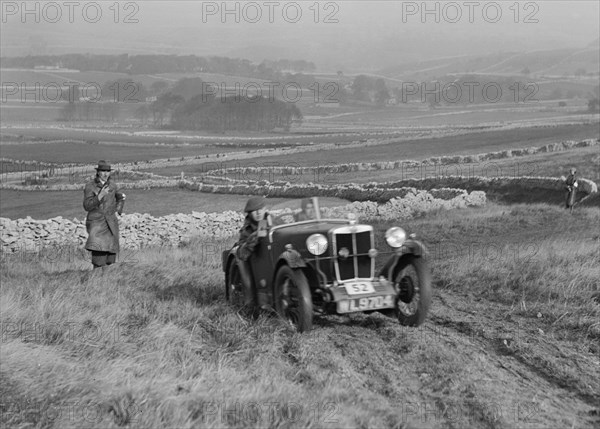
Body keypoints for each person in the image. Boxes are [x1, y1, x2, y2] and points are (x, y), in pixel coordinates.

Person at [83, 160, 126, 269]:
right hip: (97, 225)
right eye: (103, 171)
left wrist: (117, 211)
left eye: (108, 171)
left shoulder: (113, 185)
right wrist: (99, 196)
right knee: (99, 259)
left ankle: (108, 283)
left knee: (111, 260)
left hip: (111, 225)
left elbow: (120, 197)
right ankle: (96, 283)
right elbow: (87, 206)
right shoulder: (90, 186)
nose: (106, 174)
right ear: (98, 172)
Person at [235, 196, 268, 305]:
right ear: (249, 213)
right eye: (254, 211)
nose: (258, 213)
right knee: (250, 296)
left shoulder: (274, 221)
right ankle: (250, 309)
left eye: (261, 209)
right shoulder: (247, 229)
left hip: (273, 258)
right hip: (257, 263)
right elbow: (242, 254)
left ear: (265, 209)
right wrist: (252, 240)